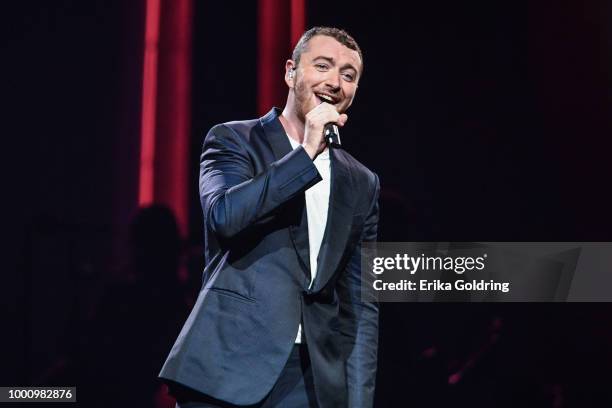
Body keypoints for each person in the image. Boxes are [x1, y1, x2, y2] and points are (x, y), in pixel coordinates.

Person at [160, 26, 380, 408]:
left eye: (348, 75)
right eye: (323, 66)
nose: (334, 82)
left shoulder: (361, 181)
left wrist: (358, 400)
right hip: (227, 368)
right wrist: (305, 152)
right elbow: (225, 217)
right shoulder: (234, 140)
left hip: (310, 379)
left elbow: (361, 304)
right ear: (291, 72)